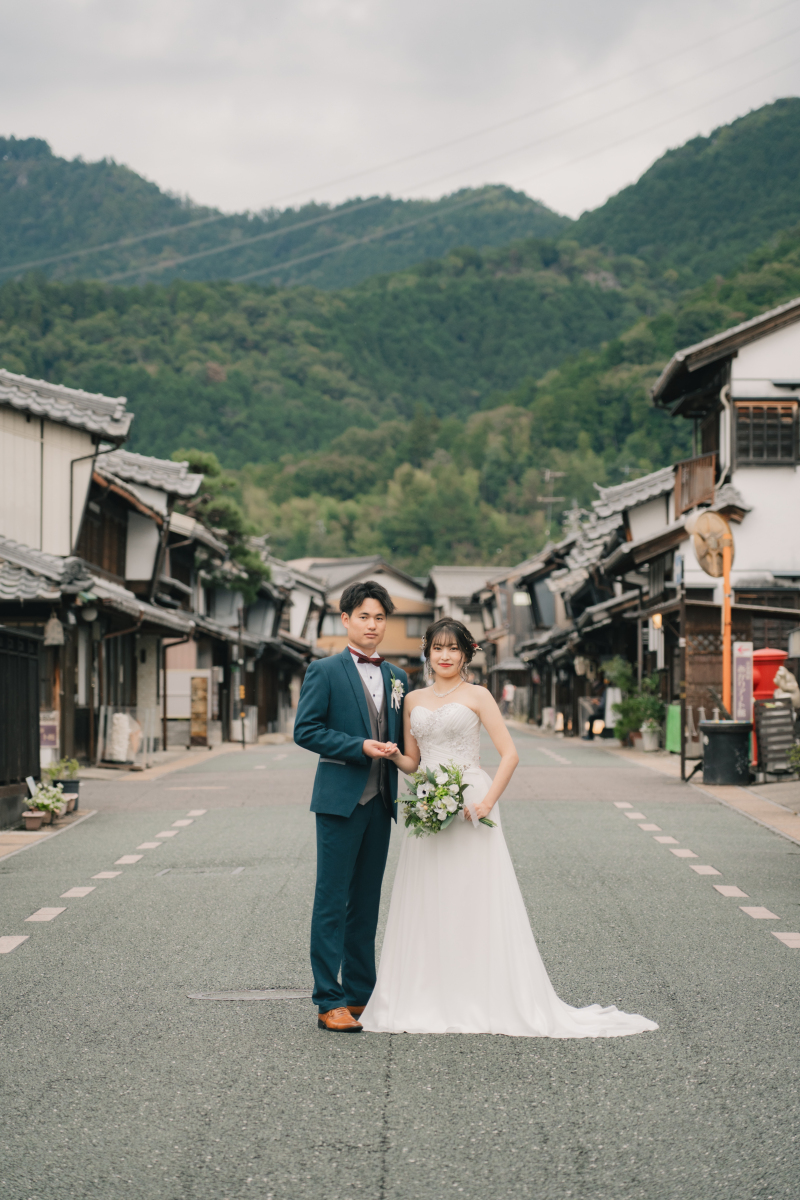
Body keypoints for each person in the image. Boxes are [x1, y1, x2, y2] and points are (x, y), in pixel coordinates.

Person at [359, 618, 658, 1038]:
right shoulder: (412, 699)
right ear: (428, 653)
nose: (445, 656)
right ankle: (429, 992)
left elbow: (510, 754)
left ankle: (482, 994)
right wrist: (392, 756)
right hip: (426, 803)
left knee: (473, 896)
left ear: (466, 654)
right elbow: (414, 762)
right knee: (428, 895)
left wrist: (486, 801)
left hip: (472, 802)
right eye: (438, 648)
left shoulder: (479, 695)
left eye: (453, 648)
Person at [294, 580, 407, 1033]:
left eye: (379, 617)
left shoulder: (398, 677)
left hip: (381, 801)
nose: (372, 625)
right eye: (364, 616)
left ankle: (361, 993)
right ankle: (329, 998)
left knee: (366, 901)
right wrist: (357, 746)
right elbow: (306, 730)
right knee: (331, 899)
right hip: (340, 802)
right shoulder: (324, 670)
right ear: (345, 620)